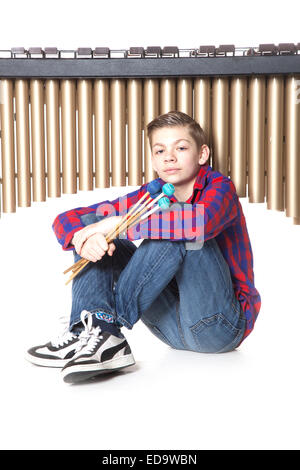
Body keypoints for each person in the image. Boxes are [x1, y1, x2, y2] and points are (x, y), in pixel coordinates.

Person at [26, 110, 261, 384]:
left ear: (202, 154)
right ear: (153, 158)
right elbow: (67, 219)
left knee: (176, 220)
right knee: (92, 223)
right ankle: (92, 330)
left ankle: (108, 330)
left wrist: (118, 224)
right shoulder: (152, 193)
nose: (169, 157)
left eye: (181, 148)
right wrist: (87, 235)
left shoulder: (220, 188)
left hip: (219, 326)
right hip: (170, 330)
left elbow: (200, 223)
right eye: (160, 150)